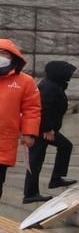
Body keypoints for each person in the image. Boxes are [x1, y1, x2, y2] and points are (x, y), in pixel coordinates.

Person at [23, 60, 77, 203]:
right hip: (41, 129)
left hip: (45, 128)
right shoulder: (48, 87)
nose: (70, 76)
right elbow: (42, 109)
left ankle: (55, 179)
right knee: (36, 161)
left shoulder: (54, 85)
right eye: (68, 73)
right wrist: (47, 129)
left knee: (64, 147)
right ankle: (30, 194)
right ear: (59, 73)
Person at [0, 39, 41, 200]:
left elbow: (32, 108)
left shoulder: (25, 81)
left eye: (3, 54)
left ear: (13, 57)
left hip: (4, 141)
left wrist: (29, 133)